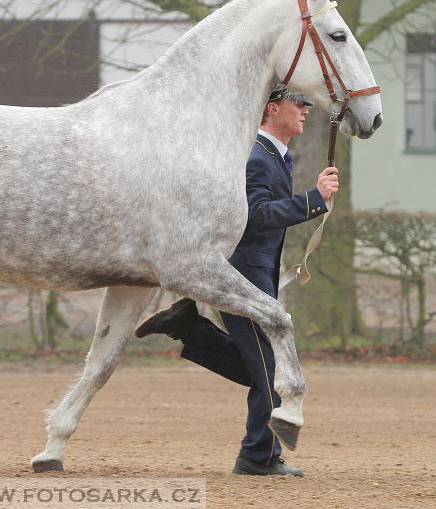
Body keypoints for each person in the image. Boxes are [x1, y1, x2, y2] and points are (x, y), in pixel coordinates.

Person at [135, 84, 339, 477]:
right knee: (269, 370)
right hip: (242, 274)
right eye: (299, 103)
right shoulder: (257, 157)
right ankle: (257, 457)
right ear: (272, 108)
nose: (306, 111)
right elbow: (255, 216)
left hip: (256, 272)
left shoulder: (276, 155)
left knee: (260, 367)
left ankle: (190, 329)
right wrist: (313, 200)